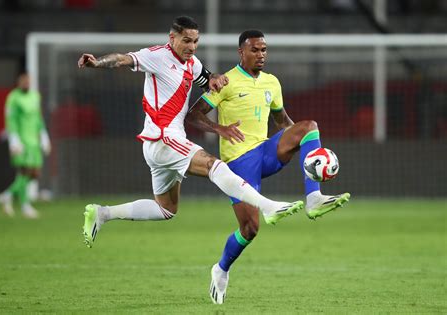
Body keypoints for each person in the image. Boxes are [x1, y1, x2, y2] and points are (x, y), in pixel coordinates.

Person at [77, 17, 303, 250]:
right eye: (186, 41)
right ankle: (267, 206)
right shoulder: (157, 56)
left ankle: (102, 213)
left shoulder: (191, 63)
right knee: (214, 166)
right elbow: (122, 59)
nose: (192, 47)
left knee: (166, 209)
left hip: (161, 145)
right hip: (164, 138)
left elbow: (207, 78)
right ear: (172, 38)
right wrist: (97, 63)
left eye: (195, 41)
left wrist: (216, 79)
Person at [185, 30, 351, 304]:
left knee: (309, 126)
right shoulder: (225, 81)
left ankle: (313, 198)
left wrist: (310, 147)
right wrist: (219, 128)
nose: (261, 55)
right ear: (241, 52)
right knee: (250, 229)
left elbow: (282, 120)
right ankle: (221, 269)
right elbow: (193, 114)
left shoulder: (272, 83)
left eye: (264, 50)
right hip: (237, 164)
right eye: (254, 50)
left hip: (264, 152)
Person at [0, 73, 51, 219]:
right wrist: (14, 139)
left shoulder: (35, 96)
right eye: (24, 82)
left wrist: (44, 136)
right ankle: (25, 206)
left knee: (35, 173)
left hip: (34, 141)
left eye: (28, 82)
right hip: (22, 141)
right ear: (19, 83)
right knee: (24, 172)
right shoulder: (13, 98)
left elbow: (38, 117)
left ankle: (7, 195)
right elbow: (10, 119)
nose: (26, 84)